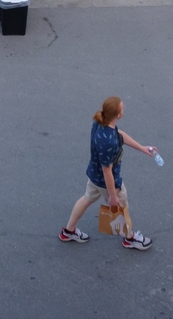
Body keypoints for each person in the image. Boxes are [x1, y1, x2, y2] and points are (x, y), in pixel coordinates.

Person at [59, 96, 154, 251]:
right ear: (118, 115)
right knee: (122, 206)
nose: (124, 108)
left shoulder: (100, 122)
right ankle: (130, 239)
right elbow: (107, 170)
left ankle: (68, 231)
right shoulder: (108, 142)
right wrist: (113, 195)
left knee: (87, 198)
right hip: (107, 181)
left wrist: (142, 148)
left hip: (94, 175)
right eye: (123, 108)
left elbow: (119, 134)